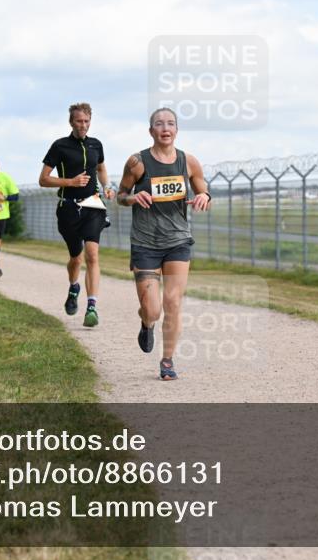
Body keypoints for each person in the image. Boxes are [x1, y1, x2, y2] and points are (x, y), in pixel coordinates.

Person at [116, 107, 210, 380]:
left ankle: (167, 361)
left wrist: (205, 197)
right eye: (159, 124)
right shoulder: (137, 162)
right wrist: (133, 198)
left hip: (178, 242)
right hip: (145, 243)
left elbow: (203, 189)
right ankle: (146, 323)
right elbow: (120, 195)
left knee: (173, 302)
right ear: (151, 131)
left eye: (170, 124)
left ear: (177, 130)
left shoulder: (189, 162)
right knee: (153, 310)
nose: (165, 128)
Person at [38, 102, 115, 327]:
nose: (83, 125)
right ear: (71, 122)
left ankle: (92, 306)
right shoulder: (60, 146)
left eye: (87, 122)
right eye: (79, 121)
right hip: (68, 208)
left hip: (93, 204)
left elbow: (100, 168)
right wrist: (69, 182)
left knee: (92, 254)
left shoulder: (96, 145)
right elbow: (43, 179)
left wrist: (107, 186)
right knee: (76, 258)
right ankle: (74, 287)